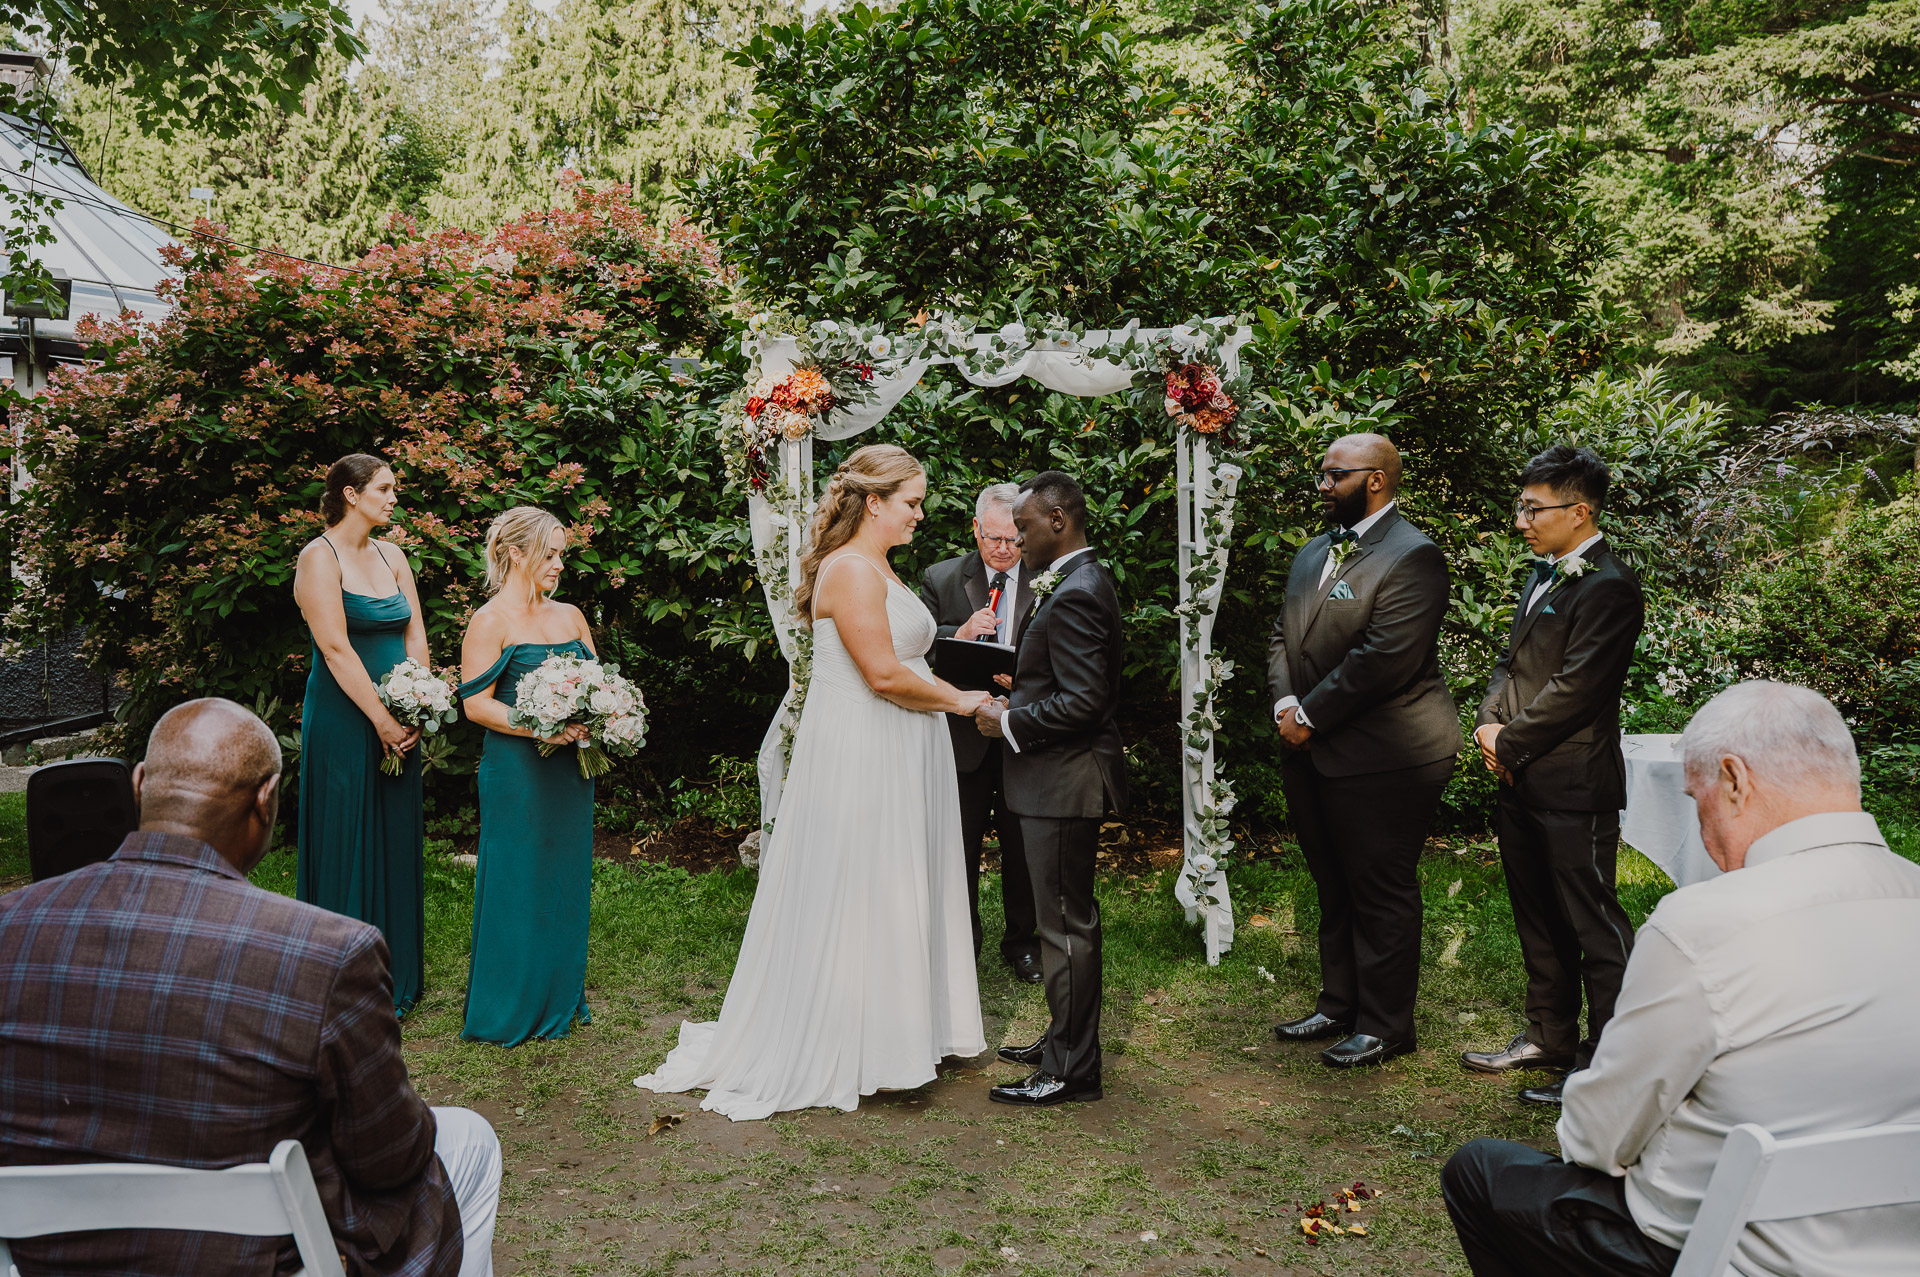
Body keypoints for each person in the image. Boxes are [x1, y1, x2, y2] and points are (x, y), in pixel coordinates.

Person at [0, 698, 500, 1277]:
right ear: (266, 801)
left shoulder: (10, 926)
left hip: (48, 1259)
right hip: (260, 1260)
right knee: (469, 1139)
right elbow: (390, 1159)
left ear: (138, 786)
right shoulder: (325, 950)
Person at [1444, 681, 1920, 1277]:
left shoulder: (1703, 924)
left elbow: (1595, 1139)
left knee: (1480, 1171)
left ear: (1735, 781)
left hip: (1722, 1256)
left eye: (1698, 802)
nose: (1703, 835)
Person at [635, 444, 988, 1119]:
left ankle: (898, 1035)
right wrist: (965, 701)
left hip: (895, 745)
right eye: (911, 502)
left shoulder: (872, 565)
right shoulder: (851, 571)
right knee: (865, 889)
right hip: (866, 751)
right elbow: (882, 676)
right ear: (875, 501)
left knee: (891, 885)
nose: (919, 514)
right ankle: (863, 1044)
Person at [1264, 433, 1460, 1068]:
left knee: (1380, 887)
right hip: (1311, 746)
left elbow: (1385, 660)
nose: (1322, 486)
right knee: (1333, 883)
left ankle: (1386, 1023)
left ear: (1375, 480)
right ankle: (1338, 1003)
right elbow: (1281, 636)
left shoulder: (1413, 556)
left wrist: (1311, 715)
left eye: (1333, 476)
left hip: (1388, 752)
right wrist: (1283, 705)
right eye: (1321, 475)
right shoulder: (1311, 553)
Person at [1462, 445, 1646, 1104]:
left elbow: (1576, 689)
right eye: (1521, 506)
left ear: (1581, 511)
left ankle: (1606, 1060)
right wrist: (1487, 725)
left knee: (1591, 925)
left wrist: (1508, 742)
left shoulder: (1610, 587)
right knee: (1537, 916)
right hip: (1519, 778)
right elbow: (1509, 665)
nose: (1521, 520)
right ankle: (1549, 1035)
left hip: (1572, 783)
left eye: (1533, 508)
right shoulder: (1542, 574)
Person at [975, 470, 1127, 1107]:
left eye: (1026, 526)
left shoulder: (1079, 589)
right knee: (1056, 923)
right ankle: (1063, 1039)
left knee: (1065, 928)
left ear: (1059, 520)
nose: (1016, 537)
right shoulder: (1071, 580)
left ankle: (1072, 1069)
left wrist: (1005, 720)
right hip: (1050, 782)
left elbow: (1085, 703)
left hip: (1064, 784)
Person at [292, 452, 432, 1013]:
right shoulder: (317, 558)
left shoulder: (393, 555)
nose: (394, 497)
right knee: (347, 832)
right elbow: (333, 647)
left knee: (395, 832)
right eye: (385, 488)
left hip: (402, 713)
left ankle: (396, 969)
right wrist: (380, 719)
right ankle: (343, 977)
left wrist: (420, 703)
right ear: (350, 494)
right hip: (346, 717)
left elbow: (416, 634)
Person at [456, 506, 598, 1046]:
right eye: (551, 553)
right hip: (517, 771)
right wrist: (539, 725)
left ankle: (560, 995)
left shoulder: (571, 616)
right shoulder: (490, 622)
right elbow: (475, 705)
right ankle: (508, 1006)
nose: (560, 564)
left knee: (563, 879)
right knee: (517, 881)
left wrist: (601, 715)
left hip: (570, 769)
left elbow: (596, 682)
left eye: (563, 554)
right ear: (516, 553)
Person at [918, 481, 1041, 982]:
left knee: (1022, 848)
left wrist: (1027, 681)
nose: (1004, 549)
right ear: (976, 530)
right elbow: (914, 651)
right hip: (962, 737)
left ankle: (1023, 945)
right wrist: (959, 634)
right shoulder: (942, 578)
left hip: (1021, 732)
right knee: (959, 847)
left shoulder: (1047, 577)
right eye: (994, 538)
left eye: (1014, 539)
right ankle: (960, 944)